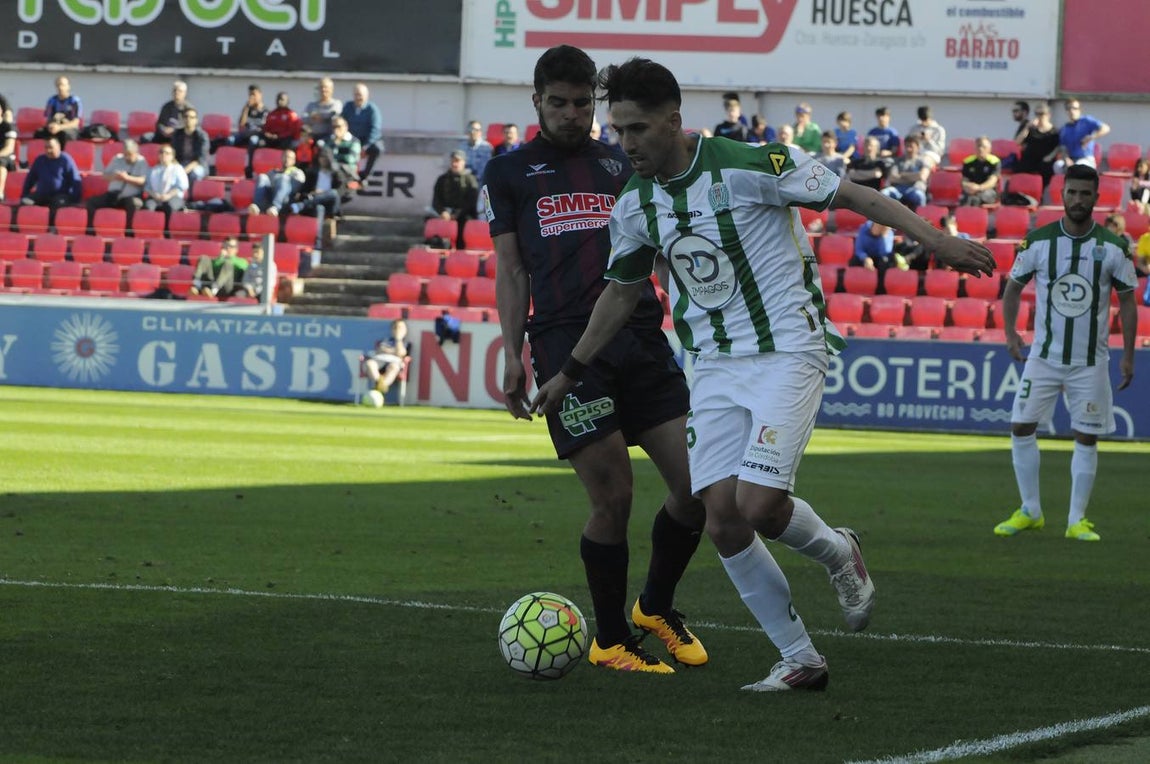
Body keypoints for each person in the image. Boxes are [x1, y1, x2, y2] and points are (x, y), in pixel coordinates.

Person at [530, 56, 995, 690]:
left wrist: (934, 242)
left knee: (758, 505)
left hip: (787, 349)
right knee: (719, 515)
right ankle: (800, 658)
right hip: (715, 365)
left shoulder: (754, 164)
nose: (626, 143)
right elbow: (618, 293)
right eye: (618, 130)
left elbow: (854, 195)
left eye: (637, 128)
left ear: (673, 120)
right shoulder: (636, 206)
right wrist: (569, 370)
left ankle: (839, 552)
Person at [485, 45, 709, 675]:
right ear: (536, 101)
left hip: (641, 337)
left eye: (583, 103)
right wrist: (512, 354)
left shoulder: (624, 159)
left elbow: (663, 243)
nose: (571, 114)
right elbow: (510, 269)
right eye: (558, 102)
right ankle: (610, 639)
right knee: (614, 497)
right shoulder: (508, 172)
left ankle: (655, 607)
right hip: (562, 343)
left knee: (697, 489)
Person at [993, 165, 1138, 543]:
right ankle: (1031, 511)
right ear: (1062, 196)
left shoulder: (1113, 247)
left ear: (1096, 198)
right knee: (1021, 426)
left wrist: (1128, 356)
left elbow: (1127, 304)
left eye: (1085, 194)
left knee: (1086, 436)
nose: (1077, 200)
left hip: (1090, 361)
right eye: (1071, 193)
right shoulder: (1038, 242)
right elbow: (1011, 290)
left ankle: (1076, 520)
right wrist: (1011, 334)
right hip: (1042, 357)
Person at [86, 138, 149, 219]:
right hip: (113, 195)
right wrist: (115, 176)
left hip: (130, 196)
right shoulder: (117, 158)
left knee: (134, 203)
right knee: (91, 202)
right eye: (125, 154)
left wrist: (127, 178)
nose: (127, 157)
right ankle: (91, 230)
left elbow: (143, 181)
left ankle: (128, 230)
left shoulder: (141, 162)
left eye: (130, 154)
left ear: (136, 153)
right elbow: (104, 176)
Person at [20, 136, 82, 214]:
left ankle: (51, 226)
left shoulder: (66, 160)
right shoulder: (40, 160)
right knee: (25, 202)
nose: (48, 150)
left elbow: (75, 180)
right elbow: (30, 179)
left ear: (58, 147)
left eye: (51, 147)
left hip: (60, 195)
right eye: (46, 147)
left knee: (57, 205)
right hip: (42, 194)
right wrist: (24, 194)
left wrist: (74, 199)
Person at [430, 149, 478, 248]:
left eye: (458, 161)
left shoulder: (470, 180)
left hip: (463, 215)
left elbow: (472, 201)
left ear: (464, 162)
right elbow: (436, 200)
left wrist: (458, 213)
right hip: (445, 215)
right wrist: (442, 212)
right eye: (453, 161)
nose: (455, 164)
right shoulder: (442, 179)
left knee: (465, 227)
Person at [341, 82, 384, 180]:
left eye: (360, 95)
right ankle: (345, 174)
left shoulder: (372, 109)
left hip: (366, 140)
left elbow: (375, 129)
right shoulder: (348, 106)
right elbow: (342, 122)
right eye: (356, 95)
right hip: (351, 139)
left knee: (378, 148)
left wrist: (365, 147)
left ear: (366, 96)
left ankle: (365, 175)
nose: (358, 97)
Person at [1013, 101, 1060, 188]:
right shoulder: (1031, 129)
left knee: (1046, 169)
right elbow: (1017, 142)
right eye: (1037, 114)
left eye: (1041, 113)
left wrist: (1050, 156)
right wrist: (1027, 127)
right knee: (1019, 168)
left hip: (1045, 159)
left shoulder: (1055, 131)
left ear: (1048, 115)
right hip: (1030, 158)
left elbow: (1058, 146)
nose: (1039, 116)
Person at [1055, 99, 1109, 172]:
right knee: (1057, 165)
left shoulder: (1086, 121)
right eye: (1069, 108)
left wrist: (1091, 137)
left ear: (1079, 110)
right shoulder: (1064, 128)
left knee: (1078, 166)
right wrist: (1066, 158)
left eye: (1075, 108)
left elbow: (1106, 128)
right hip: (1071, 159)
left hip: (1086, 159)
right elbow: (1062, 147)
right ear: (1066, 111)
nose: (1072, 111)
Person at [249, 147, 306, 216]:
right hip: (270, 198)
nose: (287, 159)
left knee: (283, 177)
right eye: (285, 157)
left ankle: (275, 207)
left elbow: (295, 189)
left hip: (285, 201)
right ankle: (256, 206)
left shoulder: (297, 173)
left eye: (289, 158)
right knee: (262, 177)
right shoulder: (273, 172)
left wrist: (282, 179)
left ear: (294, 161)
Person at [290, 148, 344, 219]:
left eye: (325, 157)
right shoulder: (313, 173)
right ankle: (318, 230)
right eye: (321, 157)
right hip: (315, 201)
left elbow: (340, 191)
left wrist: (324, 193)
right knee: (319, 208)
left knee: (333, 193)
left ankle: (302, 205)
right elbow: (304, 190)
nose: (323, 160)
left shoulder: (336, 173)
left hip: (330, 204)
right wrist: (312, 193)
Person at [881, 134, 930, 210]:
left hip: (915, 189)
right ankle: (876, 221)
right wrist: (913, 177)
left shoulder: (923, 161)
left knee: (919, 195)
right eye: (907, 146)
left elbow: (922, 176)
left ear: (918, 147)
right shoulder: (898, 161)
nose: (908, 149)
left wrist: (902, 175)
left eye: (911, 146)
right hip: (898, 189)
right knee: (884, 193)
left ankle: (921, 219)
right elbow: (892, 177)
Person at [362, 319, 410, 397]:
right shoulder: (385, 340)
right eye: (395, 328)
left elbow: (401, 353)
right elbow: (380, 350)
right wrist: (394, 351)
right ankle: (381, 385)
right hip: (380, 360)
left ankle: (379, 388)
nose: (397, 330)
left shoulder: (405, 343)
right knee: (370, 363)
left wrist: (398, 340)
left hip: (394, 362)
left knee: (393, 367)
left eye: (400, 328)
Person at [142, 144, 189, 221]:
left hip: (174, 197)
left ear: (172, 156)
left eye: (167, 153)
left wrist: (168, 195)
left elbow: (182, 186)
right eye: (161, 152)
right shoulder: (152, 170)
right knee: (148, 207)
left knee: (169, 206)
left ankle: (167, 231)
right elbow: (147, 187)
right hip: (156, 197)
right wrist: (155, 195)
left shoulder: (177, 169)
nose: (164, 155)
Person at [35, 75, 82, 147]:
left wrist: (60, 127)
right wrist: (51, 125)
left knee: (63, 134)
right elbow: (48, 120)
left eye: (62, 85)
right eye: (58, 85)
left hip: (69, 129)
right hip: (55, 127)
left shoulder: (74, 101)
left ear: (68, 86)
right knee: (39, 133)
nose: (60, 87)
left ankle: (61, 156)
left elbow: (75, 123)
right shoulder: (52, 100)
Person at [172, 107, 211, 184]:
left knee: (194, 174)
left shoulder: (202, 136)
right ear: (182, 119)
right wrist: (179, 168)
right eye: (186, 117)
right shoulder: (177, 134)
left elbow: (200, 158)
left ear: (196, 120)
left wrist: (184, 171)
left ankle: (191, 195)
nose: (188, 119)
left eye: (192, 117)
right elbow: (173, 154)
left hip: (197, 165)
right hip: (180, 163)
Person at [960, 136, 1001, 206]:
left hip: (988, 191)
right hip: (971, 190)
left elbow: (992, 181)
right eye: (978, 146)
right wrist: (967, 186)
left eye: (984, 147)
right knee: (965, 198)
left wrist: (979, 188)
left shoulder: (994, 162)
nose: (980, 149)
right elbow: (964, 180)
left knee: (975, 199)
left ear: (989, 149)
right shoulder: (968, 162)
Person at [303, 76, 343, 146]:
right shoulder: (311, 105)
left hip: (329, 139)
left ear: (331, 89)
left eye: (325, 87)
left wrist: (320, 117)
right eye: (321, 87)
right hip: (313, 137)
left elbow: (334, 116)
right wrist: (312, 118)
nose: (323, 90)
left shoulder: (336, 104)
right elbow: (304, 119)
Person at [233, 84, 268, 152]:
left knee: (253, 140)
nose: (251, 97)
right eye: (250, 95)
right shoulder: (247, 109)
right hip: (245, 134)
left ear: (260, 95)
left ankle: (250, 162)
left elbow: (265, 129)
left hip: (257, 135)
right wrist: (246, 108)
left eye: (253, 94)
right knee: (230, 139)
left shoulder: (266, 111)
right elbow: (241, 124)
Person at [328, 116, 362, 186]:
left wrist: (337, 146)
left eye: (338, 126)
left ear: (345, 126)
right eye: (334, 127)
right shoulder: (329, 141)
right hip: (331, 173)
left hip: (348, 174)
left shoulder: (354, 142)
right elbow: (325, 157)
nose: (336, 129)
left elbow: (349, 159)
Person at [0, 104, 16, 203]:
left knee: (0, 164)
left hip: (7, 158)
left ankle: (0, 193)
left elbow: (9, 148)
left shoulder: (8, 126)